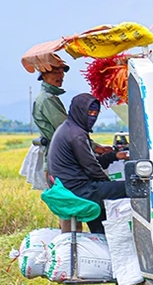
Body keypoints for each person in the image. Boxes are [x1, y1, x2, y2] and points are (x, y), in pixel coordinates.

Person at [47, 93, 128, 234]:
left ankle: (101, 237)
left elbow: (88, 162)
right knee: (132, 188)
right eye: (89, 113)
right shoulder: (77, 134)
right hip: (77, 189)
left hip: (67, 186)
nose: (92, 117)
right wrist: (108, 183)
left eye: (95, 113)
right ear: (79, 111)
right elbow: (91, 168)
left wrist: (113, 156)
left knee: (101, 195)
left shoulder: (67, 128)